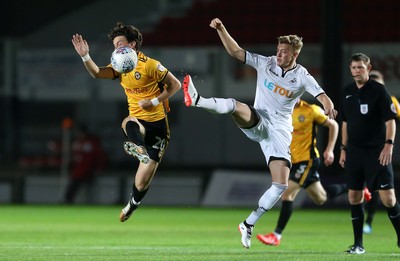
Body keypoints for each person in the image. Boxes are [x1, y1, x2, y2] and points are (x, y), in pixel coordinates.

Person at [182, 18, 338, 249]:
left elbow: (321, 94)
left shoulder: (303, 75)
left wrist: (327, 104)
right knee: (237, 106)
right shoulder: (266, 63)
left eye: (284, 52)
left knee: (281, 186)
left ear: (295, 55)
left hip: (280, 132)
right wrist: (222, 29)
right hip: (259, 119)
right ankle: (197, 100)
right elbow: (236, 52)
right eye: (278, 50)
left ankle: (248, 223)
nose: (279, 54)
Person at [71, 22, 181, 222]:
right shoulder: (120, 66)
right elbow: (96, 72)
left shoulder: (150, 65)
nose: (116, 48)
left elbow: (176, 85)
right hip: (138, 122)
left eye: (120, 43)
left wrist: (154, 101)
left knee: (141, 183)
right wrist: (85, 56)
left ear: (132, 45)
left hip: (157, 125)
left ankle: (132, 205)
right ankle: (138, 147)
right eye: (114, 45)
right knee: (128, 121)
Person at [256, 98, 348, 246]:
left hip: (308, 160)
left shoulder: (311, 110)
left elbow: (333, 125)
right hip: (293, 161)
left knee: (287, 193)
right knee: (321, 198)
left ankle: (276, 235)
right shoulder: (281, 111)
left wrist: (330, 150)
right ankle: (355, 186)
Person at [339, 53, 400, 254]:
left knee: (388, 199)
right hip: (354, 152)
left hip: (377, 152)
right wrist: (343, 148)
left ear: (368, 68)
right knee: (354, 197)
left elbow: (390, 120)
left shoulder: (379, 90)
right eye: (354, 68)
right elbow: (345, 122)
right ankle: (358, 245)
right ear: (350, 69)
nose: (357, 71)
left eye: (360, 68)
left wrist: (388, 145)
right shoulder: (347, 92)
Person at [363, 70, 400, 234]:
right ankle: (367, 223)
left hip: (387, 149)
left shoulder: (391, 101)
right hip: (368, 150)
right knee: (372, 189)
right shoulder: (364, 100)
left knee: (386, 193)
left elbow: (393, 120)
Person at [64, 124, 106, 204]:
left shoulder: (91, 143)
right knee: (73, 188)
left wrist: (99, 168)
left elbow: (100, 156)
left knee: (89, 191)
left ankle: (90, 203)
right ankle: (68, 201)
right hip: (79, 171)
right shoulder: (77, 142)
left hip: (88, 171)